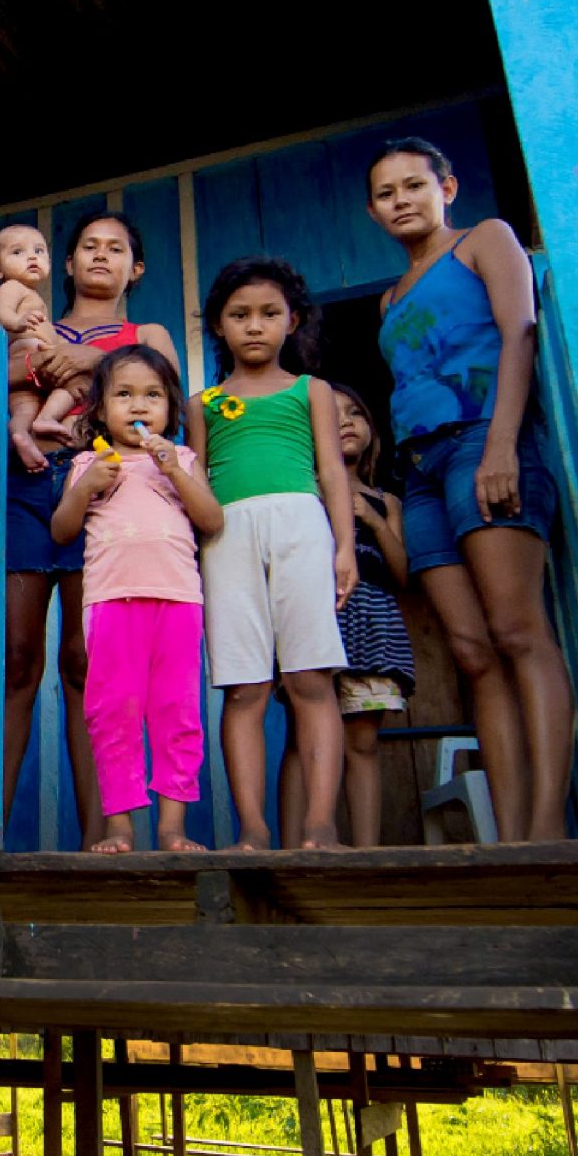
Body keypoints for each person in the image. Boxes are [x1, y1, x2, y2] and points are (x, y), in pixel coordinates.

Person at [367, 136, 574, 841]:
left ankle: (546, 830)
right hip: (420, 472)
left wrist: (501, 448)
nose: (401, 201)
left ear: (446, 188)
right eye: (387, 194)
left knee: (519, 632)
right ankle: (510, 839)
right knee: (474, 655)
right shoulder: (389, 298)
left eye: (413, 186)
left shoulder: (485, 240)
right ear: (373, 211)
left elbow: (518, 334)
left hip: (483, 443)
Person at [3, 210, 180, 851]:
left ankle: (100, 838)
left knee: (87, 664)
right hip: (25, 483)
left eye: (117, 249)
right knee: (17, 660)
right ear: (68, 262)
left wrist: (78, 357)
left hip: (105, 488)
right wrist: (51, 358)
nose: (100, 256)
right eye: (87, 247)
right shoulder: (31, 320)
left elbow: (158, 378)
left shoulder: (146, 329)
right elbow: (1, 375)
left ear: (136, 268)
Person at [185, 257, 355, 851]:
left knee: (310, 677)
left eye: (268, 314)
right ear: (218, 326)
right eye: (239, 315)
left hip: (302, 525)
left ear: (293, 321)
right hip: (225, 535)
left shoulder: (313, 391)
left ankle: (319, 826)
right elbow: (196, 479)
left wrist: (345, 547)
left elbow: (333, 473)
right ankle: (253, 830)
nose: (254, 326)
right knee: (244, 686)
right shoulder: (202, 402)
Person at [50, 346, 224, 854]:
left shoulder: (183, 460)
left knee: (177, 711)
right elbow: (62, 530)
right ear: (100, 410)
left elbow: (212, 520)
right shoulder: (90, 461)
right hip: (111, 602)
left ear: (169, 409)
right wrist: (85, 489)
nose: (139, 406)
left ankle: (172, 827)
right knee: (113, 712)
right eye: (123, 395)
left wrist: (175, 472)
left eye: (151, 396)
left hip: (176, 600)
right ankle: (120, 827)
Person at [281, 384, 416, 848]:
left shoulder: (386, 502)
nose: (345, 422)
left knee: (362, 743)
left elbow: (402, 574)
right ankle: (294, 847)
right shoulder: (305, 489)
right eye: (334, 414)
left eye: (356, 413)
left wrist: (374, 521)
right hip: (315, 615)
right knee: (303, 740)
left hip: (372, 626)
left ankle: (366, 851)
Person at [0, 223, 81, 472]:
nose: (31, 257)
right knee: (75, 382)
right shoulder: (12, 287)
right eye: (17, 252)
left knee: (23, 409)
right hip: (30, 353)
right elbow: (1, 312)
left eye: (39, 251)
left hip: (22, 362)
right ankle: (47, 418)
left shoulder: (30, 294)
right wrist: (17, 322)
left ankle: (20, 433)